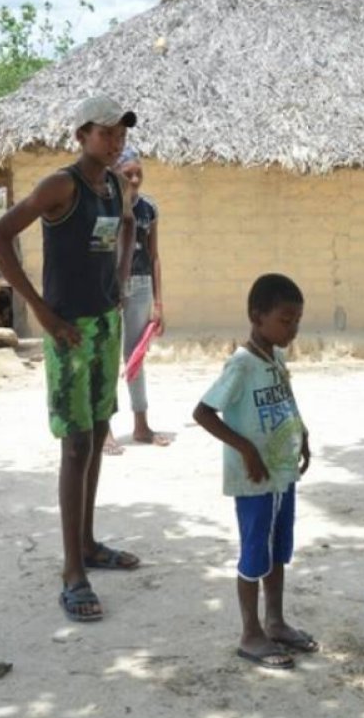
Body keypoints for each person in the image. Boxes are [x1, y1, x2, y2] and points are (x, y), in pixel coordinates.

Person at [0, 95, 139, 623]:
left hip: (104, 325)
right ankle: (73, 572)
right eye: (105, 132)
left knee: (96, 433)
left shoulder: (115, 186)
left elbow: (125, 230)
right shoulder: (62, 185)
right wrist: (42, 314)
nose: (114, 141)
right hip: (67, 330)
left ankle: (90, 544)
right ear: (81, 135)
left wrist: (118, 282)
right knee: (75, 446)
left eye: (120, 133)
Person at [193, 273, 317, 671]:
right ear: (256, 316)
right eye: (285, 320)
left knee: (277, 552)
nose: (293, 329)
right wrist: (245, 448)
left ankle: (275, 622)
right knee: (253, 556)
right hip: (256, 482)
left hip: (281, 476)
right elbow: (203, 413)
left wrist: (303, 432)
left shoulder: (276, 358)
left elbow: (286, 398)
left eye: (297, 320)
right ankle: (250, 634)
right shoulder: (242, 365)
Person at [102, 149, 170, 453]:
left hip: (141, 285)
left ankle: (141, 425)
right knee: (105, 356)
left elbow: (154, 256)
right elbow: (100, 252)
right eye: (127, 173)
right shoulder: (105, 208)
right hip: (109, 288)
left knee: (135, 357)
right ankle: (104, 430)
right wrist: (106, 288)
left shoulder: (149, 210)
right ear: (114, 174)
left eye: (137, 172)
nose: (134, 179)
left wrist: (159, 302)